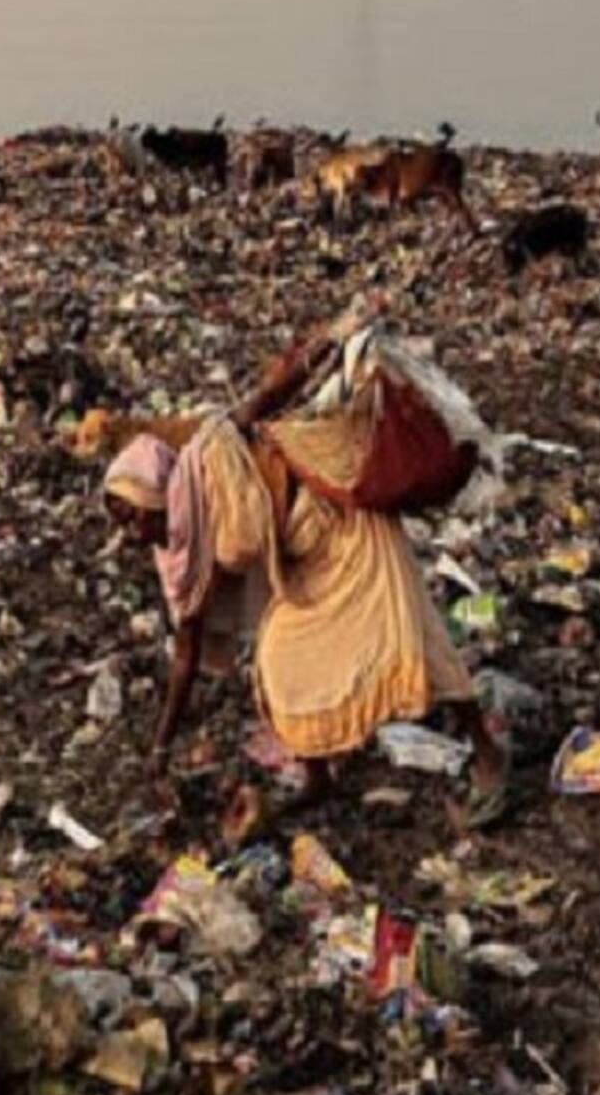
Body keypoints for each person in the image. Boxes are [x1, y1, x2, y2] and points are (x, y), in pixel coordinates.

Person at [102, 326, 511, 827]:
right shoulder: (180, 555)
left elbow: (266, 399)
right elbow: (186, 647)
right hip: (304, 556)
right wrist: (161, 749)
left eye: (130, 514)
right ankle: (318, 777)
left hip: (345, 523)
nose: (129, 532)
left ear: (156, 492)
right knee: (277, 662)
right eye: (120, 520)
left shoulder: (208, 459)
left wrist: (310, 358)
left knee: (414, 630)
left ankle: (488, 753)